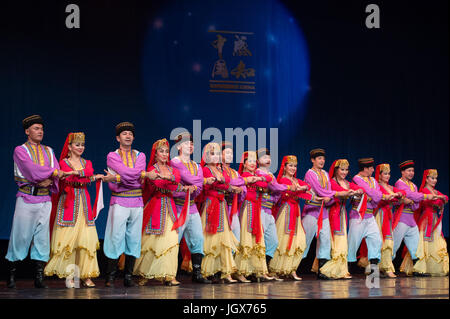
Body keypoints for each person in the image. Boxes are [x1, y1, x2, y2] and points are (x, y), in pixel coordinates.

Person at [6, 115, 64, 289]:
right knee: (20, 236)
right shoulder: (20, 150)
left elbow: (58, 171)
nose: (40, 131)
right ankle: (12, 276)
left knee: (42, 238)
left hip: (45, 198)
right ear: (27, 131)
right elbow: (32, 171)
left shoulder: (48, 150)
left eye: (41, 128)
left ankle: (39, 278)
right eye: (36, 128)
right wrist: (49, 174)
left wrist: (49, 176)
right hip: (26, 198)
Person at [44, 132, 104, 287]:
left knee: (86, 240)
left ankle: (86, 275)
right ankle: (70, 276)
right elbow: (68, 178)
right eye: (77, 145)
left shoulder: (86, 162)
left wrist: (76, 173)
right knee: (68, 240)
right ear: (69, 147)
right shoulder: (63, 163)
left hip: (83, 202)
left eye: (82, 145)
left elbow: (89, 173)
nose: (81, 147)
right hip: (69, 203)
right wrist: (78, 176)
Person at [134, 138, 189, 286]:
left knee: (171, 241)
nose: (164, 154)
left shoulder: (173, 170)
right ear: (156, 154)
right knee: (151, 240)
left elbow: (176, 182)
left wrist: (169, 179)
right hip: (155, 206)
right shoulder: (151, 170)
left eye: (166, 151)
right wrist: (169, 181)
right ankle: (145, 273)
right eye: (161, 151)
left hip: (170, 207)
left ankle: (169, 275)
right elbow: (158, 183)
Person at [102, 122, 147, 287]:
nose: (128, 136)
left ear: (133, 137)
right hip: (119, 200)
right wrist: (134, 176)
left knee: (134, 238)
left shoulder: (140, 155)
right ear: (117, 138)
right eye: (124, 134)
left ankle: (128, 277)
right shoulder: (112, 156)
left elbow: (138, 179)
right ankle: (111, 277)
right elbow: (135, 175)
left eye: (130, 133)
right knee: (115, 236)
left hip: (136, 201)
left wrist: (117, 177)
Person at [303, 149, 351, 280]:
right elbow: (319, 190)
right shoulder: (310, 173)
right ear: (313, 160)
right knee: (304, 241)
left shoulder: (324, 173)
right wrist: (336, 194)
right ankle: (290, 268)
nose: (322, 161)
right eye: (319, 159)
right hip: (312, 210)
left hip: (323, 211)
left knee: (325, 240)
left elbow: (327, 190)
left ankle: (322, 271)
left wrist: (330, 196)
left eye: (323, 159)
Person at [170, 132, 211, 284]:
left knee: (198, 239)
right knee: (175, 239)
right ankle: (171, 274)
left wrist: (195, 186)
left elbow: (198, 185)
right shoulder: (175, 162)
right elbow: (187, 177)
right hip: (179, 206)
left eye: (192, 143)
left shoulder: (196, 165)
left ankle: (197, 273)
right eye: (187, 143)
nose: (190, 145)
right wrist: (196, 183)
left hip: (192, 206)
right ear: (179, 146)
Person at [199, 142, 239, 283]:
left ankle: (224, 272)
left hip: (221, 204)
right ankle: (207, 271)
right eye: (211, 153)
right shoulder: (205, 169)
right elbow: (215, 184)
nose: (215, 156)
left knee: (223, 238)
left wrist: (228, 185)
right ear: (206, 155)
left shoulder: (218, 169)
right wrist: (224, 183)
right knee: (211, 238)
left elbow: (225, 181)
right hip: (211, 204)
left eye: (216, 153)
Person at [269, 155, 312, 280]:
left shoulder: (296, 181)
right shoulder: (283, 180)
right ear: (285, 167)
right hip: (286, 211)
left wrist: (302, 188)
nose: (293, 168)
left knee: (299, 241)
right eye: (290, 165)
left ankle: (291, 269)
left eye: (295, 166)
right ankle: (275, 269)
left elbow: (307, 186)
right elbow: (292, 191)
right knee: (284, 239)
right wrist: (301, 189)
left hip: (295, 211)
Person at [234, 151, 274, 282]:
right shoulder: (244, 175)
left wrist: (259, 178)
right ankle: (240, 271)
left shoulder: (255, 175)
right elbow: (262, 184)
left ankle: (257, 270)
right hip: (247, 207)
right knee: (246, 237)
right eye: (249, 161)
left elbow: (268, 180)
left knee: (256, 238)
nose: (252, 163)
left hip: (256, 208)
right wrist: (259, 180)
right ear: (244, 164)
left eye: (253, 161)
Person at [318, 159, 361, 279]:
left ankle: (341, 271)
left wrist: (359, 190)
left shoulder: (347, 183)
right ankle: (331, 270)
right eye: (342, 169)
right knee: (336, 240)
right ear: (336, 170)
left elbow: (358, 188)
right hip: (333, 212)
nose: (344, 172)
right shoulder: (332, 182)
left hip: (342, 214)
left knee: (342, 240)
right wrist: (349, 192)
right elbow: (338, 191)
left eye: (346, 170)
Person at [401, 169, 449, 276]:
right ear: (426, 179)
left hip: (434, 219)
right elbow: (436, 201)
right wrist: (440, 200)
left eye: (436, 178)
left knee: (437, 242)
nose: (434, 180)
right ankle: (421, 268)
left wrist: (440, 199)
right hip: (426, 219)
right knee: (424, 243)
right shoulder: (424, 190)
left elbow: (446, 198)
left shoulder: (435, 192)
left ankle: (432, 268)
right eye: (432, 178)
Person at [393, 160, 437, 276]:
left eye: (412, 171)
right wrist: (424, 196)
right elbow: (410, 195)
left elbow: (416, 204)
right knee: (394, 245)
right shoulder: (399, 183)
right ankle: (384, 267)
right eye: (408, 171)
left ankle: (418, 269)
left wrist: (413, 200)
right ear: (402, 172)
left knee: (416, 245)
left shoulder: (414, 185)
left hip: (411, 219)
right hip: (401, 218)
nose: (411, 173)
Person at [256, 148, 288, 280]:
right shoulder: (258, 172)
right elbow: (275, 187)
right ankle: (259, 270)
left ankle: (266, 267)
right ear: (258, 161)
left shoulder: (272, 175)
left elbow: (276, 192)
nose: (267, 159)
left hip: (269, 210)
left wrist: (274, 197)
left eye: (269, 157)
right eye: (264, 157)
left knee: (273, 241)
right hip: (260, 210)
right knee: (260, 240)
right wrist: (288, 187)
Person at [347, 158, 383, 276]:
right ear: (365, 168)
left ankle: (373, 269)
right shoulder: (357, 179)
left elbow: (378, 195)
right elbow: (367, 190)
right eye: (371, 168)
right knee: (353, 243)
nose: (373, 170)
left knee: (376, 240)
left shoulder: (373, 180)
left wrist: (373, 197)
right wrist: (374, 195)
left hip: (370, 214)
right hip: (358, 215)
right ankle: (348, 269)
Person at [221, 141, 245, 242]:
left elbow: (244, 187)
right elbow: (225, 182)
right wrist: (234, 186)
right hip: (221, 205)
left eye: (231, 153)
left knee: (236, 238)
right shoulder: (218, 170)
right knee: (223, 237)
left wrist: (240, 189)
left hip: (233, 207)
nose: (230, 155)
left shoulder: (234, 172)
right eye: (227, 153)